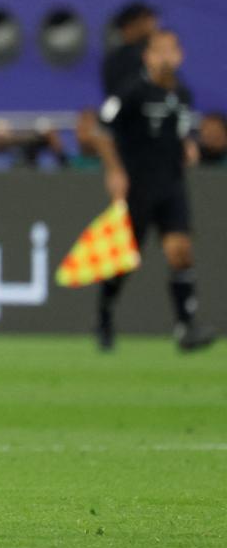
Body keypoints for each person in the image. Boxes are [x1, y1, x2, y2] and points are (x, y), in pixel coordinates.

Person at [95, 29, 215, 352]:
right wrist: (115, 170)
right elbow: (101, 131)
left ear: (180, 55)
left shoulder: (183, 94)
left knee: (180, 251)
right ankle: (105, 314)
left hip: (172, 185)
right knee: (126, 259)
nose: (165, 58)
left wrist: (188, 145)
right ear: (147, 56)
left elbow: (180, 131)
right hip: (138, 187)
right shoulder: (131, 91)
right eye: (158, 51)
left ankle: (186, 327)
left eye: (170, 51)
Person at [101, 1, 158, 97]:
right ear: (129, 26)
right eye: (144, 20)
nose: (152, 25)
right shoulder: (120, 59)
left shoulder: (152, 57)